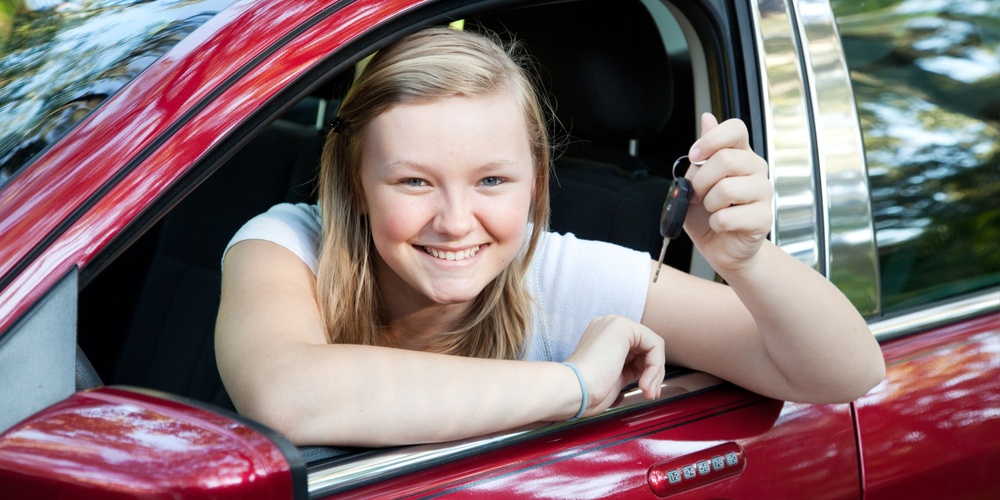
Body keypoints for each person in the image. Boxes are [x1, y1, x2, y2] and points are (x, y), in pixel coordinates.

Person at [215, 26, 885, 447]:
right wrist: (574, 384)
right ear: (356, 184)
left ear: (536, 183)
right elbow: (291, 396)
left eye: (492, 182)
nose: (454, 220)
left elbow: (848, 373)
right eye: (414, 183)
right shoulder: (287, 245)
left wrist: (748, 262)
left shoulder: (557, 274)